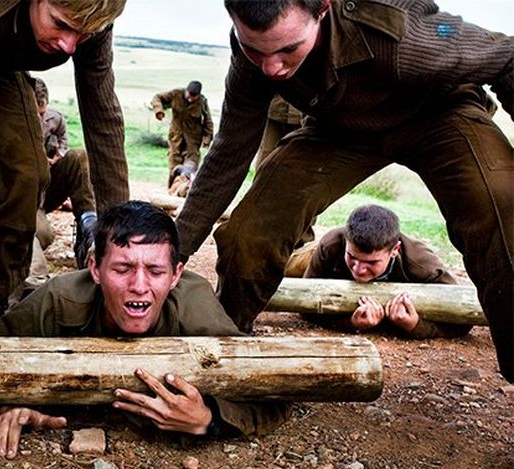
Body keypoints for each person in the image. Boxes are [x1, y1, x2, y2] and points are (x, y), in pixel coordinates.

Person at [174, 0, 513, 382]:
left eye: (288, 49)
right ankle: (224, 355)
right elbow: (229, 152)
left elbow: (507, 57)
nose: (271, 67)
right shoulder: (253, 58)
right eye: (256, 50)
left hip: (438, 114)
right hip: (338, 127)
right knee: (249, 234)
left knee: (504, 210)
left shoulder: (399, 35)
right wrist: (175, 250)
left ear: (322, 10)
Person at [0, 0, 130, 386]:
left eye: (81, 35)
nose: (69, 46)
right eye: (61, 25)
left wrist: (123, 245)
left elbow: (104, 121)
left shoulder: (92, 18)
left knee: (25, 171)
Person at [0, 201, 290, 458]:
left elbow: (273, 391)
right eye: (122, 269)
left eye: (156, 271)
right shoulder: (61, 298)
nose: (140, 286)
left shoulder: (195, 309)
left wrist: (208, 419)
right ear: (95, 268)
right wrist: (14, 401)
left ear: (175, 275)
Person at [0, 77, 98, 277]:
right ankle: (33, 281)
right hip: (17, 201)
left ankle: (89, 229)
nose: (39, 121)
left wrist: (57, 157)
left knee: (78, 158)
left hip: (45, 188)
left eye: (42, 114)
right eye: (34, 115)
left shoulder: (55, 119)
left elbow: (62, 142)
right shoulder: (1, 129)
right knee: (41, 234)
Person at [289, 205, 472, 338]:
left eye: (371, 262)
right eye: (352, 257)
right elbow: (305, 307)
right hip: (310, 257)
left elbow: (462, 321)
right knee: (280, 268)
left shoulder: (423, 265)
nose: (359, 269)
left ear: (394, 250)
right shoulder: (332, 245)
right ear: (346, 241)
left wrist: (416, 326)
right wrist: (350, 324)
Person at [151, 81, 215, 188]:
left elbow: (208, 120)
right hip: (176, 138)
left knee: (191, 167)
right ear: (186, 91)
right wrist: (159, 110)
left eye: (194, 97)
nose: (191, 98)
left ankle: (186, 192)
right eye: (190, 95)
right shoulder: (175, 94)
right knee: (174, 165)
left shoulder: (202, 101)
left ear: (198, 95)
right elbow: (157, 98)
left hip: (193, 140)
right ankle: (171, 191)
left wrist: (207, 138)